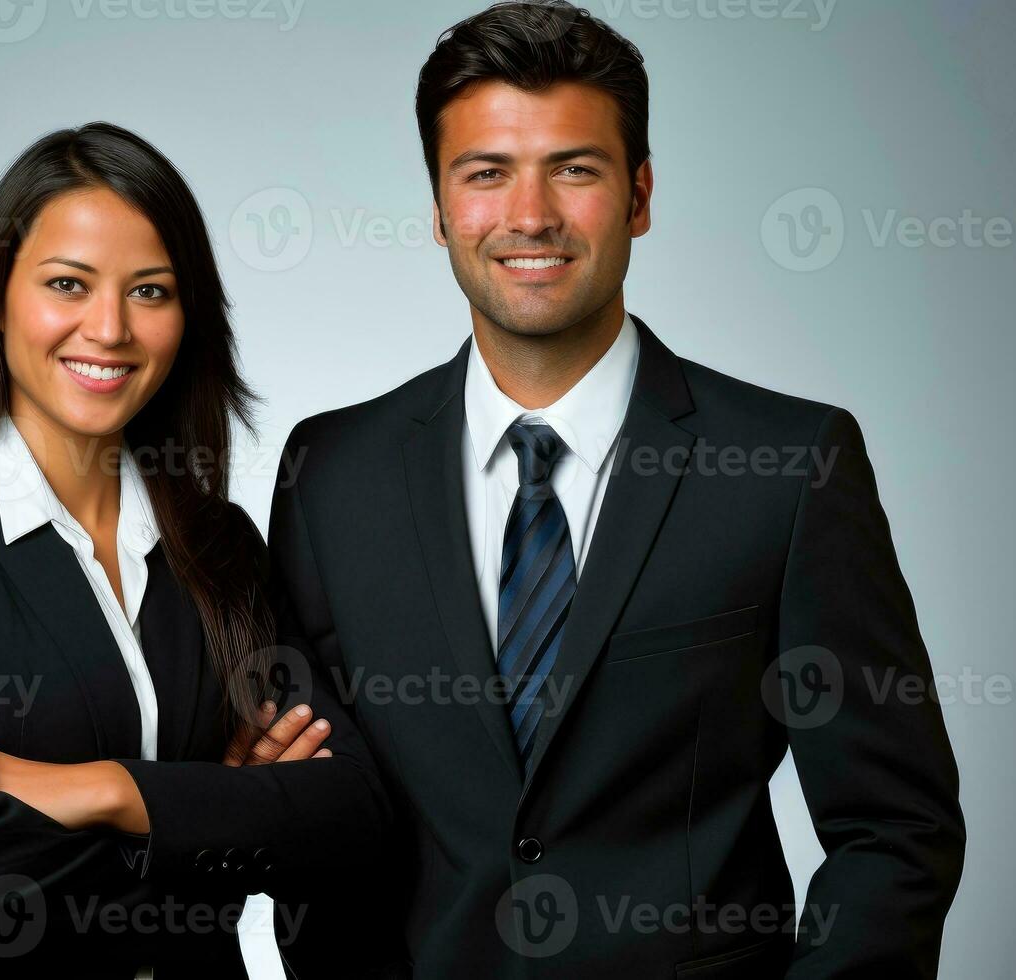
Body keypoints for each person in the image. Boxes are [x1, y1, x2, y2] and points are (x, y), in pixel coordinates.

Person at [265, 3, 966, 977]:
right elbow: (318, 820)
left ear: (639, 194)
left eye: (575, 168)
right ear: (437, 206)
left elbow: (895, 827)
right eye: (486, 173)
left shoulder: (790, 464)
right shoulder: (330, 473)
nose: (530, 214)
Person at [0, 121, 391, 977]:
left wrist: (108, 792)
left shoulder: (220, 544)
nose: (110, 328)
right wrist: (226, 814)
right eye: (68, 284)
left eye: (150, 291)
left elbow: (354, 815)